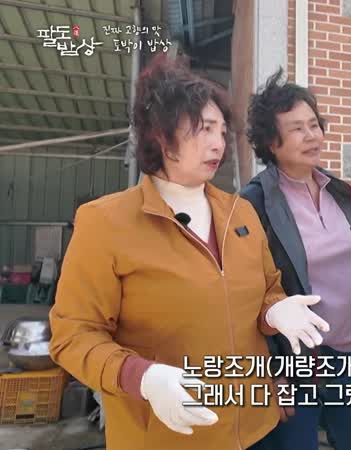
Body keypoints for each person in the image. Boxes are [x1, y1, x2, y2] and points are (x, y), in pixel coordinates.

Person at [49, 56, 329, 450]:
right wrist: (142, 377)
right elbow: (73, 335)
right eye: (203, 130)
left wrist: (274, 311)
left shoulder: (240, 213)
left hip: (255, 428)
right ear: (161, 137)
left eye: (221, 131)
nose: (218, 144)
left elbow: (268, 288)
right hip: (165, 436)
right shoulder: (106, 222)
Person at [239, 67, 351, 450]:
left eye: (314, 125)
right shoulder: (254, 202)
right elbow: (247, 296)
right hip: (294, 364)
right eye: (297, 128)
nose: (312, 135)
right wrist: (272, 372)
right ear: (271, 142)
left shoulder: (338, 191)